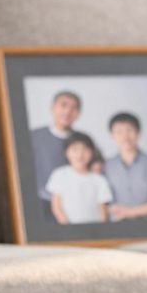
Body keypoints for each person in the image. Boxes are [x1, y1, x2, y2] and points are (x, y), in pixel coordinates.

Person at [30, 90, 102, 220]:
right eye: (63, 105)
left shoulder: (82, 140)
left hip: (73, 206)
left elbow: (97, 164)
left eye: (74, 108)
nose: (68, 111)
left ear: (78, 113)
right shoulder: (34, 136)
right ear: (53, 108)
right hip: (40, 203)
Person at [104, 111, 147, 220]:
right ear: (112, 135)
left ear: (138, 133)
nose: (125, 137)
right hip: (119, 225)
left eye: (129, 130)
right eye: (119, 132)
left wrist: (131, 212)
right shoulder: (106, 166)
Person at [45, 132, 112, 224]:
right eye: (75, 149)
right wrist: (68, 227)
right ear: (66, 152)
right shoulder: (59, 174)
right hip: (69, 228)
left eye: (85, 149)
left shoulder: (99, 180)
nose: (80, 154)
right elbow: (56, 207)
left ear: (92, 152)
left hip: (94, 228)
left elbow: (103, 210)